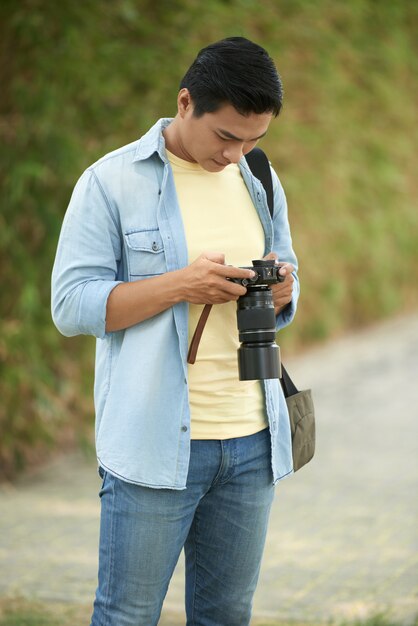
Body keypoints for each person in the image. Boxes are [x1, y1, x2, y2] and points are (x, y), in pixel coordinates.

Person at [51, 36, 299, 626]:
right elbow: (71, 305)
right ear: (185, 103)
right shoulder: (111, 182)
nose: (236, 154)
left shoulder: (258, 177)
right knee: (127, 615)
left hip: (252, 439)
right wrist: (181, 285)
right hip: (155, 444)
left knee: (226, 615)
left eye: (253, 140)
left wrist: (286, 287)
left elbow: (286, 267)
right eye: (226, 137)